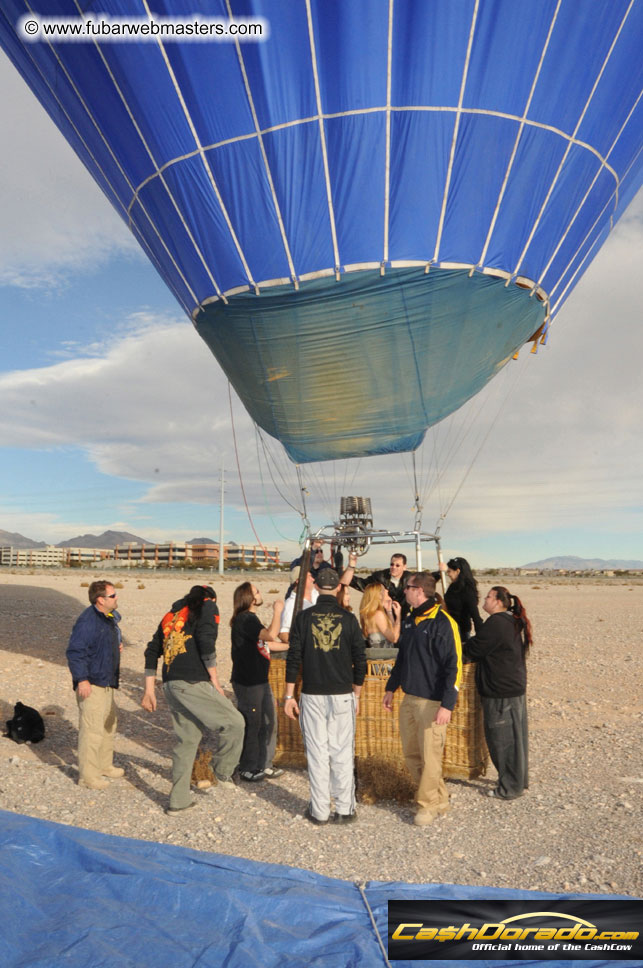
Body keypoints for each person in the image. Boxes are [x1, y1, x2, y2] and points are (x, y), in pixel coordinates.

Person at [141, 585, 244, 814]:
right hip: (191, 682)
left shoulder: (171, 615)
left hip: (170, 685)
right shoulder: (208, 606)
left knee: (187, 743)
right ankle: (221, 770)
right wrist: (215, 681)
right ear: (211, 598)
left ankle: (178, 802)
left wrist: (149, 689)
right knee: (235, 723)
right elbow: (207, 643)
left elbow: (151, 651)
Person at [284, 568, 367, 825]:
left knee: (317, 752)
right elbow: (360, 661)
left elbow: (293, 658)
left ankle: (319, 811)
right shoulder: (348, 619)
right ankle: (344, 809)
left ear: (317, 587)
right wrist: (357, 694)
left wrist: (289, 695)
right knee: (341, 751)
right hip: (342, 693)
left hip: (312, 693)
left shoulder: (304, 618)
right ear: (338, 588)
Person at [383, 573, 462, 826]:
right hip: (409, 698)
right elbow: (403, 659)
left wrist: (447, 705)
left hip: (433, 703)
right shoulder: (409, 621)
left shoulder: (444, 623)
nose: (403, 592)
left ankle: (427, 805)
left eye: (407, 588)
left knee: (431, 757)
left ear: (419, 591)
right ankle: (440, 798)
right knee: (412, 755)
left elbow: (454, 666)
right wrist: (390, 687)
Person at [463, 586, 532, 800]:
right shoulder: (510, 620)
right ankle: (518, 781)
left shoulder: (496, 623)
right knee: (515, 737)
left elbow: (474, 649)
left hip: (501, 691)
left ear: (499, 602)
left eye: (489, 597)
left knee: (502, 740)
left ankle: (510, 788)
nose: (485, 599)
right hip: (512, 687)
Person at [66, 580, 124, 790]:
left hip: (107, 681)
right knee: (92, 730)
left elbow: (101, 644)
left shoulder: (108, 619)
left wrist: (116, 647)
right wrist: (82, 679)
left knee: (108, 725)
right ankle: (88, 777)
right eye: (113, 595)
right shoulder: (88, 621)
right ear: (100, 600)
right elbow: (75, 652)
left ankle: (104, 765)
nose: (117, 598)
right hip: (92, 683)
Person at [230, 582, 288, 782]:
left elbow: (267, 643)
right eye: (256, 591)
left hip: (260, 680)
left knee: (269, 722)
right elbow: (270, 635)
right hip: (248, 682)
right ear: (250, 598)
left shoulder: (251, 620)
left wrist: (290, 645)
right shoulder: (245, 619)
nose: (260, 593)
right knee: (253, 724)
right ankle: (247, 767)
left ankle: (264, 764)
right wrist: (278, 612)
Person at [343, 552, 412, 610]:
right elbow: (359, 583)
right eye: (392, 564)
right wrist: (343, 573)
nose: (394, 567)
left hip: (404, 618)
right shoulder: (380, 577)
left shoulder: (411, 579)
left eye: (397, 565)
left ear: (404, 567)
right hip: (383, 617)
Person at [440, 556, 483, 642]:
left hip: (461, 630)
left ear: (458, 571)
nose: (448, 574)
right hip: (449, 627)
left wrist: (481, 637)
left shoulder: (468, 590)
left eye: (449, 571)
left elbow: (475, 614)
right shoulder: (453, 586)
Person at [278, 567, 318, 643]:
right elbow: (283, 634)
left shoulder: (317, 593)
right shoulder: (291, 604)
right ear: (298, 580)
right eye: (309, 576)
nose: (313, 579)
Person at [359, 583, 401, 647]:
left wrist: (389, 611)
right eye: (384, 590)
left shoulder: (371, 613)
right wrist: (398, 617)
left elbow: (392, 631)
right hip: (383, 655)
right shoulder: (378, 614)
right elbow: (394, 638)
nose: (387, 591)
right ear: (379, 595)